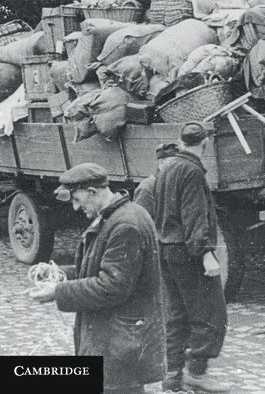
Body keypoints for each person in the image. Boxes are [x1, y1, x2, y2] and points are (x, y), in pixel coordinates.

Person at [30, 162, 166, 394]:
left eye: (77, 199)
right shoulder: (115, 217)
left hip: (122, 346)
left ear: (92, 192)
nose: (75, 207)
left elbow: (111, 286)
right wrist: (58, 274)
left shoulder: (125, 224)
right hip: (117, 340)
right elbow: (98, 270)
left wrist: (58, 292)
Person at [154, 122, 229, 393]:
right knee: (210, 313)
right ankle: (196, 373)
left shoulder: (168, 166)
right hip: (187, 252)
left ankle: (172, 376)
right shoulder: (192, 170)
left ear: (180, 141)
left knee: (177, 315)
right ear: (205, 143)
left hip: (167, 248)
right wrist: (206, 253)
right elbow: (194, 215)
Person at [133, 142, 178, 218]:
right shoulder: (147, 188)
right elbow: (142, 221)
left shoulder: (172, 184)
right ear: (161, 163)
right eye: (173, 163)